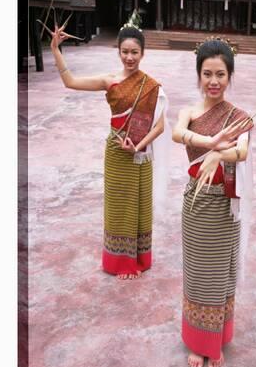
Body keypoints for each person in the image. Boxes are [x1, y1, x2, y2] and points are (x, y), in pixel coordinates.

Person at [50, 20, 169, 280]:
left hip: (140, 153)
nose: (129, 57)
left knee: (139, 204)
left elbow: (160, 125)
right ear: (118, 52)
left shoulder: (152, 85)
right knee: (119, 205)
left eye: (134, 52)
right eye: (125, 52)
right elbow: (70, 81)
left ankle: (139, 258)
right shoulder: (109, 81)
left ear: (142, 54)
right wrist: (56, 50)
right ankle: (121, 263)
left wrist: (137, 145)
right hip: (117, 152)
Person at [172, 38, 254, 367]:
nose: (214, 81)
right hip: (196, 203)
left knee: (220, 275)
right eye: (207, 74)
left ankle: (215, 339)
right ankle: (197, 342)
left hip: (225, 205)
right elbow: (178, 133)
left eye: (220, 74)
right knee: (196, 275)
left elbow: (243, 150)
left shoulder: (239, 117)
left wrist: (220, 154)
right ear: (198, 75)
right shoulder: (189, 112)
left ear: (230, 76)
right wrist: (209, 142)